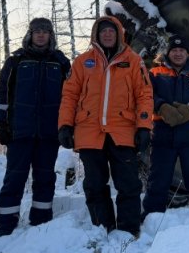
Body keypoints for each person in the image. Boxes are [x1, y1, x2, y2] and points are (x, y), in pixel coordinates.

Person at [58, 16, 153, 236]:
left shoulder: (133, 61)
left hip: (123, 131)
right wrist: (65, 125)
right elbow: (69, 95)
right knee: (94, 184)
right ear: (96, 35)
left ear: (119, 34)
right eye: (103, 32)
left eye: (112, 31)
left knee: (128, 184)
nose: (108, 35)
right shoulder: (83, 62)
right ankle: (103, 227)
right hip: (89, 132)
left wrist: (144, 126)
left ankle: (129, 230)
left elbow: (145, 94)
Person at [0, 17, 71, 237]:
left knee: (45, 178)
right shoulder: (16, 61)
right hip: (20, 132)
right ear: (30, 34)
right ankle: (5, 225)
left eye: (45, 31)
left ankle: (41, 223)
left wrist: (67, 126)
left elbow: (70, 98)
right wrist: (1, 122)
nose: (41, 35)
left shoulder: (61, 63)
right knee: (14, 178)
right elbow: (2, 94)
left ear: (51, 35)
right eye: (37, 31)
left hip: (49, 133)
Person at [142, 35, 189, 220]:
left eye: (181, 50)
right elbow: (146, 94)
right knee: (158, 177)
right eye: (174, 50)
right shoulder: (155, 72)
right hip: (163, 134)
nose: (178, 53)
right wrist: (162, 107)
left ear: (187, 53)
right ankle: (152, 216)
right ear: (168, 53)